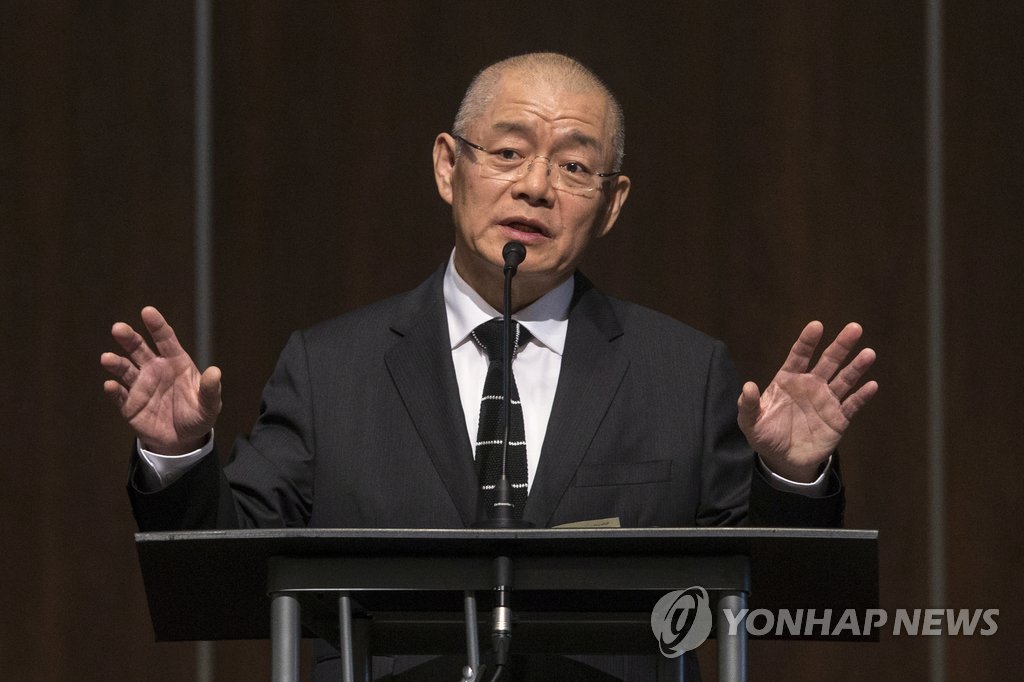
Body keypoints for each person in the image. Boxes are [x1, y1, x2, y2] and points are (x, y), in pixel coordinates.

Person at [102, 53, 877, 680]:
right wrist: (179, 457)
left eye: (574, 167)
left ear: (611, 203)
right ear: (449, 166)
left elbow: (774, 598)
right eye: (508, 153)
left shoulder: (682, 372)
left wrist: (792, 480)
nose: (535, 186)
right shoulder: (331, 369)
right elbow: (225, 577)